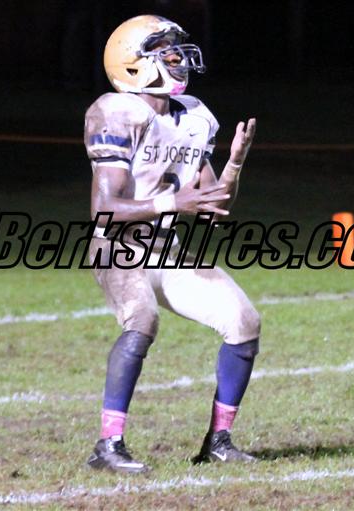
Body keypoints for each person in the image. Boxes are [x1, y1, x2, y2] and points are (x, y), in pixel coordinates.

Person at [83, 14, 260, 473]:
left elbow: (212, 209)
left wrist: (234, 165)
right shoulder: (116, 112)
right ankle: (108, 445)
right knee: (142, 319)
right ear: (133, 62)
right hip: (119, 244)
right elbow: (104, 208)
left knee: (243, 321)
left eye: (177, 50)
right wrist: (172, 202)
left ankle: (218, 442)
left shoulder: (195, 116)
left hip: (167, 246)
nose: (178, 58)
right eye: (165, 51)